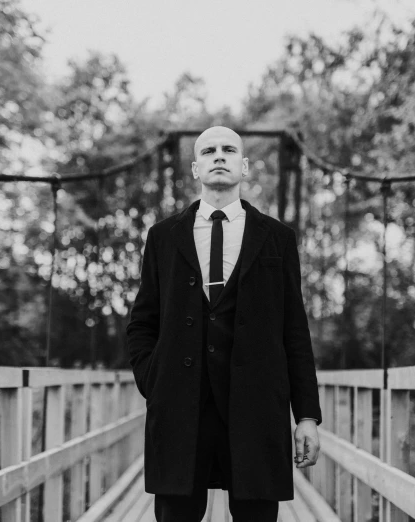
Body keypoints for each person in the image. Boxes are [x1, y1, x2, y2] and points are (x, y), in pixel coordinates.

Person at [126, 126, 322, 522]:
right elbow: (142, 322)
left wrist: (306, 416)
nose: (220, 156)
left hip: (256, 409)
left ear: (244, 165)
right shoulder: (163, 237)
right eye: (210, 151)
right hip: (181, 408)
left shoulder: (277, 238)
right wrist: (154, 379)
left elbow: (294, 332)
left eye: (229, 150)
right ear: (196, 168)